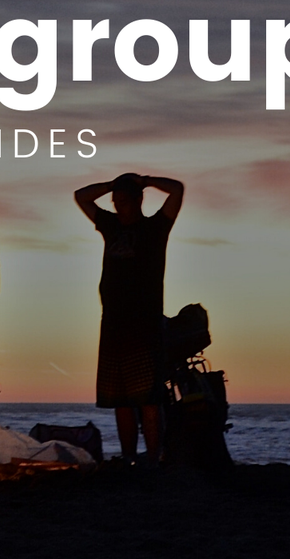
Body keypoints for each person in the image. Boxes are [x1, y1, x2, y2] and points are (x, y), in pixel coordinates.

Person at [74, 172, 185, 464]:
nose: (118, 206)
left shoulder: (155, 228)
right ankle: (128, 457)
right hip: (112, 324)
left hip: (144, 325)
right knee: (119, 400)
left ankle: (153, 456)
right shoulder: (110, 225)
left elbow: (177, 190)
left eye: (123, 201)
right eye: (115, 201)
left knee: (148, 398)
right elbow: (81, 196)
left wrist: (146, 180)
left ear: (138, 201)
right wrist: (111, 184)